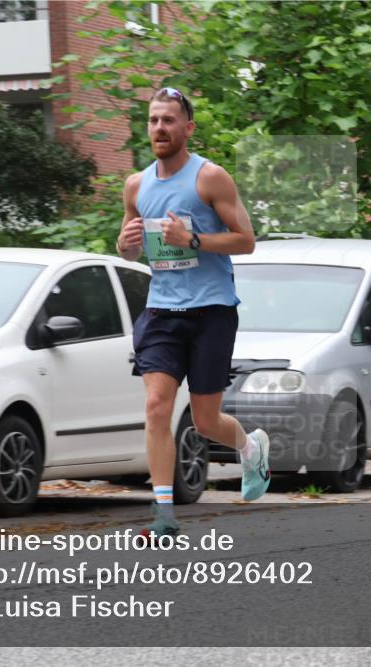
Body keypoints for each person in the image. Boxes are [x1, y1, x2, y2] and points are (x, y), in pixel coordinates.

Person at [116, 87, 270, 541]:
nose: (159, 128)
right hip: (162, 309)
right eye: (153, 120)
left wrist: (194, 240)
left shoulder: (211, 178)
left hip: (211, 309)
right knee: (157, 405)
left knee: (205, 421)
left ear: (188, 127)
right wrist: (125, 246)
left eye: (168, 120)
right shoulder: (137, 186)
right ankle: (164, 515)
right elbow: (129, 246)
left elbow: (246, 240)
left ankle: (249, 446)